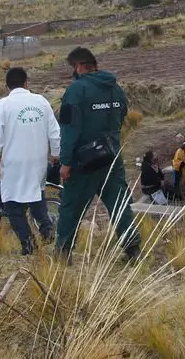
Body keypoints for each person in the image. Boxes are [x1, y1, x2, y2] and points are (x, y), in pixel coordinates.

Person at [54, 47, 140, 262]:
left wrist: (65, 162)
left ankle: (63, 253)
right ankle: (133, 251)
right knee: (120, 205)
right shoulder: (115, 88)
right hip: (111, 157)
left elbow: (70, 129)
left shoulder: (76, 90)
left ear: (79, 66)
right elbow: (122, 115)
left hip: (83, 162)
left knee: (71, 207)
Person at [0, 67, 61, 255]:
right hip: (38, 161)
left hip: (14, 163)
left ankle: (28, 243)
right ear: (26, 83)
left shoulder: (2, 106)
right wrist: (56, 153)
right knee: (36, 195)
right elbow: (55, 133)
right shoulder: (41, 102)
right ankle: (46, 229)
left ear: (7, 87)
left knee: (12, 206)